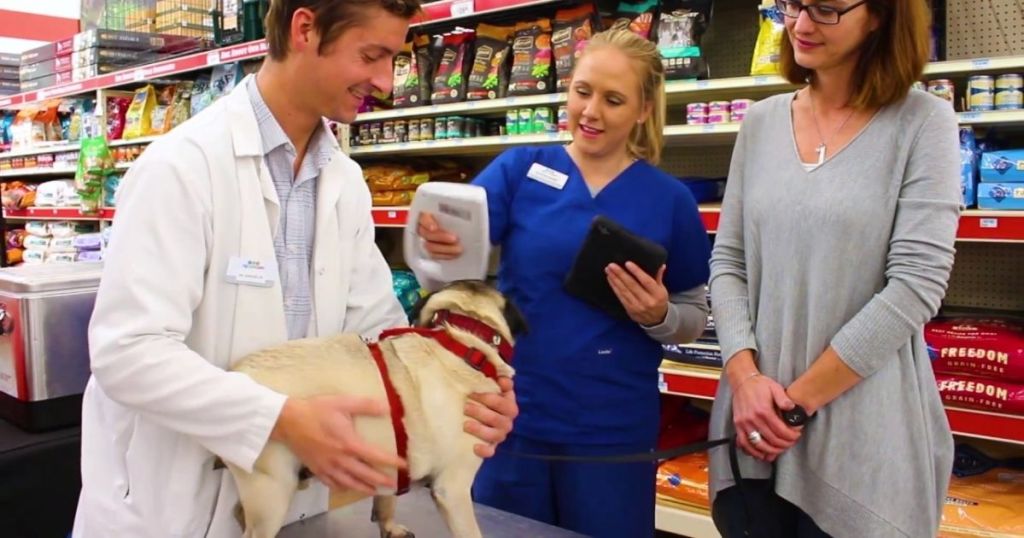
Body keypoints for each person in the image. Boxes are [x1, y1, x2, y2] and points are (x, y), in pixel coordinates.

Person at [72, 1, 518, 536]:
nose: (385, 81)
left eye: (392, 60)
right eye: (372, 55)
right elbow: (127, 352)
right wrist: (278, 419)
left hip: (297, 510)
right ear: (305, 29)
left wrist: (466, 384)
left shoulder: (345, 181)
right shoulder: (181, 169)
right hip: (172, 507)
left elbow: (378, 334)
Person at [418, 29, 711, 538]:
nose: (591, 111)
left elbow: (693, 314)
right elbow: (451, 263)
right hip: (510, 416)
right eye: (582, 91)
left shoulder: (670, 201)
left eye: (613, 100)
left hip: (612, 431)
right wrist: (439, 245)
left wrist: (660, 315)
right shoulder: (521, 171)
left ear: (643, 110)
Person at [707, 0, 960, 536]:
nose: (799, 25)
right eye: (793, 4)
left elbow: (916, 284)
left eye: (825, 9)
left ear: (880, 16)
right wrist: (745, 378)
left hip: (863, 442)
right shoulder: (760, 122)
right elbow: (728, 261)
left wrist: (793, 406)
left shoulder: (923, 123)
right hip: (752, 434)